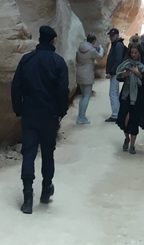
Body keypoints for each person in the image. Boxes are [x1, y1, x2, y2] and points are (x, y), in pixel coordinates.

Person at [11, 25, 69, 213]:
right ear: (52, 41)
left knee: (28, 153)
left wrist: (19, 109)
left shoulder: (26, 60)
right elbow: (62, 91)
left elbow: (15, 87)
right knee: (47, 153)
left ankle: (28, 198)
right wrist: (61, 112)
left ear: (39, 39)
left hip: (29, 114)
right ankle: (45, 190)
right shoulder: (58, 62)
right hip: (49, 116)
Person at [116, 36, 144, 154]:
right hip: (126, 94)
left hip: (138, 95)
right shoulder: (126, 63)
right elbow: (119, 76)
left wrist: (137, 73)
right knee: (123, 118)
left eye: (136, 53)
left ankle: (132, 144)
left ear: (139, 53)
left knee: (134, 119)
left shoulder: (143, 65)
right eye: (132, 53)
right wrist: (124, 75)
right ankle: (126, 138)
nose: (134, 55)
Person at [75, 33, 104, 124]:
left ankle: (80, 115)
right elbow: (99, 57)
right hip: (87, 74)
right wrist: (101, 49)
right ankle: (81, 118)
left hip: (79, 73)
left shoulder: (79, 48)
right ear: (93, 41)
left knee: (83, 96)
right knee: (86, 96)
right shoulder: (91, 50)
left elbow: (77, 60)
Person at [105, 28, 126, 122]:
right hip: (116, 72)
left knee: (113, 93)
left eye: (112, 35)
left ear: (117, 35)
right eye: (110, 35)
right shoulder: (117, 44)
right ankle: (117, 113)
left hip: (116, 72)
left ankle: (115, 115)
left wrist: (111, 72)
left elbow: (118, 60)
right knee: (115, 93)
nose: (111, 37)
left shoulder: (117, 45)